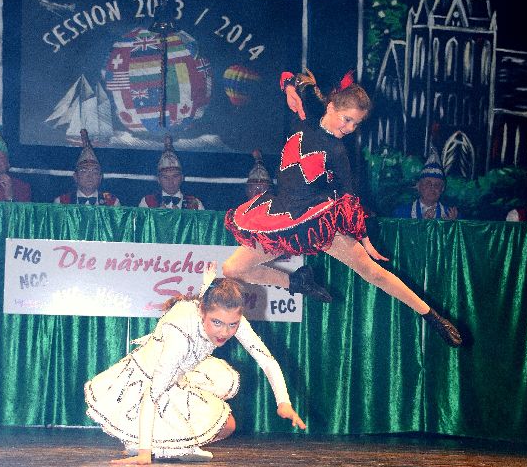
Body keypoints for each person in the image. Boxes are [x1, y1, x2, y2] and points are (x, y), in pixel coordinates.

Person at [223, 68, 462, 347]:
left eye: (356, 124)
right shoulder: (304, 116)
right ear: (331, 107)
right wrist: (289, 87)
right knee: (232, 269)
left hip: (317, 221)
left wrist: (365, 240)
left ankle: (432, 316)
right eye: (347, 119)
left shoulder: (337, 151)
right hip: (279, 216)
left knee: (372, 272)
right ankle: (298, 283)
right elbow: (290, 75)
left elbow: (350, 198)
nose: (349, 128)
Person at [84, 273, 304, 464]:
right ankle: (153, 444)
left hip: (180, 375)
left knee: (227, 425)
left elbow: (266, 360)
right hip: (147, 383)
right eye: (216, 322)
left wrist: (283, 402)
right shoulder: (179, 336)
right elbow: (152, 395)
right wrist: (144, 454)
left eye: (232, 325)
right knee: (171, 427)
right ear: (202, 311)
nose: (225, 333)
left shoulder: (231, 318)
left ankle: (168, 445)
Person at [53, 129, 120, 206]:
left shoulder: (112, 202)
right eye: (84, 171)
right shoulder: (61, 202)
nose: (89, 176)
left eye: (94, 172)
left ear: (100, 177)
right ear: (75, 177)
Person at [139, 135, 205, 210]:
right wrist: (156, 215)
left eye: (175, 176)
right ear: (158, 179)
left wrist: (182, 216)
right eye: (165, 177)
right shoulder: (147, 202)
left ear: (182, 178)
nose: (170, 182)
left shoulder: (195, 203)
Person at [392, 148, 458, 219]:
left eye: (437, 185)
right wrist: (424, 223)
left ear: (442, 189)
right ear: (418, 186)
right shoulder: (401, 213)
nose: (432, 188)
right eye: (428, 183)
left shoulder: (451, 214)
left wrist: (452, 224)